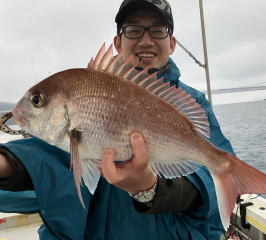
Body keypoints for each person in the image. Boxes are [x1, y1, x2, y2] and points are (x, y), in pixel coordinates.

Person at [0, 0, 235, 239]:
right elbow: (44, 158)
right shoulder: (84, 92)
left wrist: (149, 188)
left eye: (157, 30)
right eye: (133, 30)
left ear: (171, 43)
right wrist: (8, 163)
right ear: (117, 42)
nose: (146, 41)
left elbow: (209, 188)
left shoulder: (193, 103)